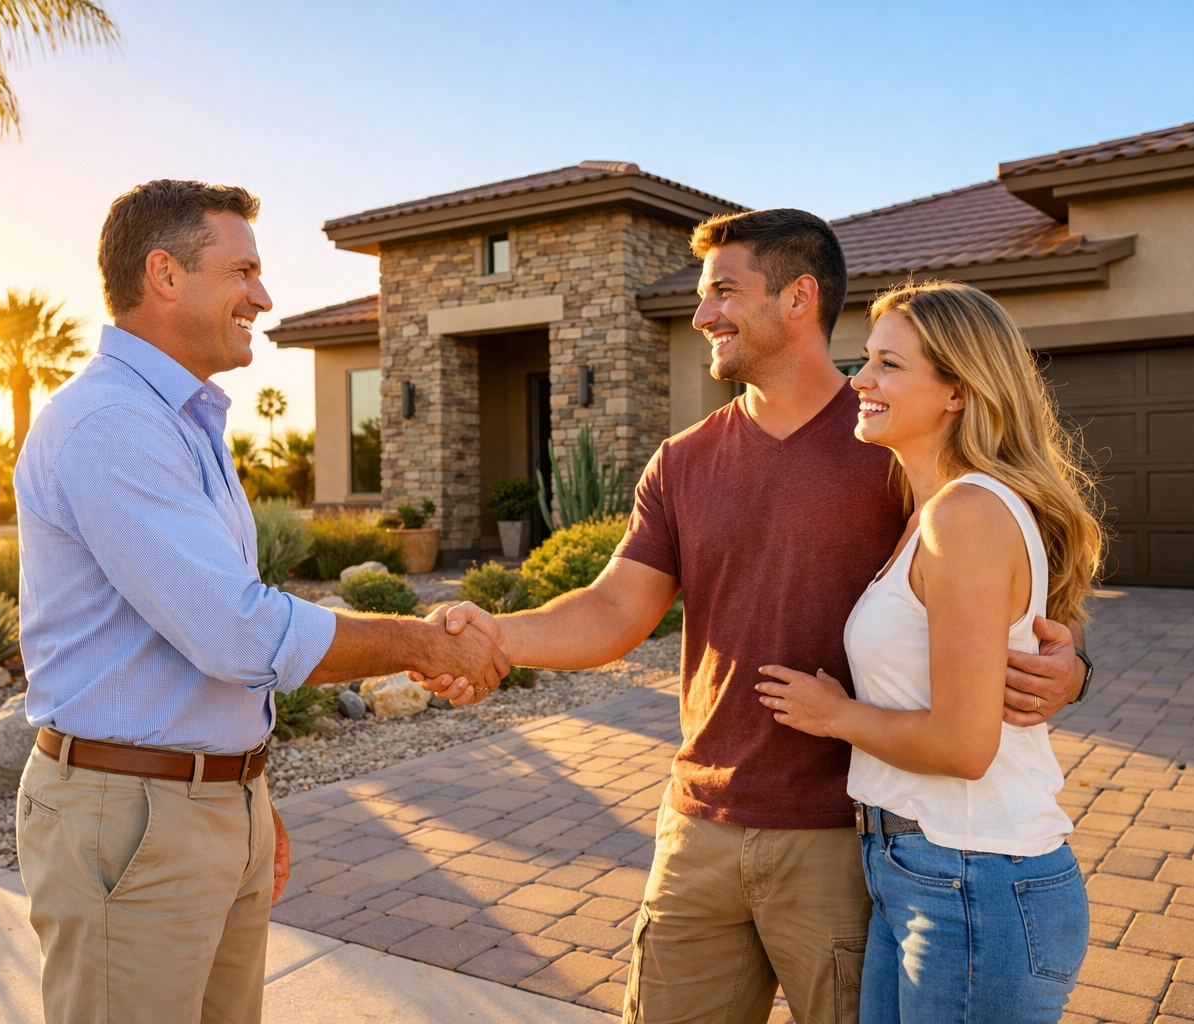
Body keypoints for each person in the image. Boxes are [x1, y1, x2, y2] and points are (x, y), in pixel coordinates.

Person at [417, 208, 1090, 1024]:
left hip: (846, 838)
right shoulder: (686, 459)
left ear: (798, 297)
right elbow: (613, 608)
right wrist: (495, 637)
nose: (703, 316)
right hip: (699, 826)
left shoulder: (897, 444)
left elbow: (1028, 600)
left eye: (724, 293)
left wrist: (1073, 667)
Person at [12, 179, 508, 1024]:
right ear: (164, 274)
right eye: (243, 271)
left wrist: (243, 793)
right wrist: (422, 646)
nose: (264, 296)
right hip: (134, 819)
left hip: (197, 806)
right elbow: (238, 633)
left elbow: (217, 626)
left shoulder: (183, 420)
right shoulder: (111, 422)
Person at [756, 280, 1099, 1023]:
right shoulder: (932, 513)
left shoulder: (967, 514)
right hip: (920, 870)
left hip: (973, 875)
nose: (861, 380)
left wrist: (833, 714)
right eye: (865, 359)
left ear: (957, 391)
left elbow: (963, 744)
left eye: (889, 365)